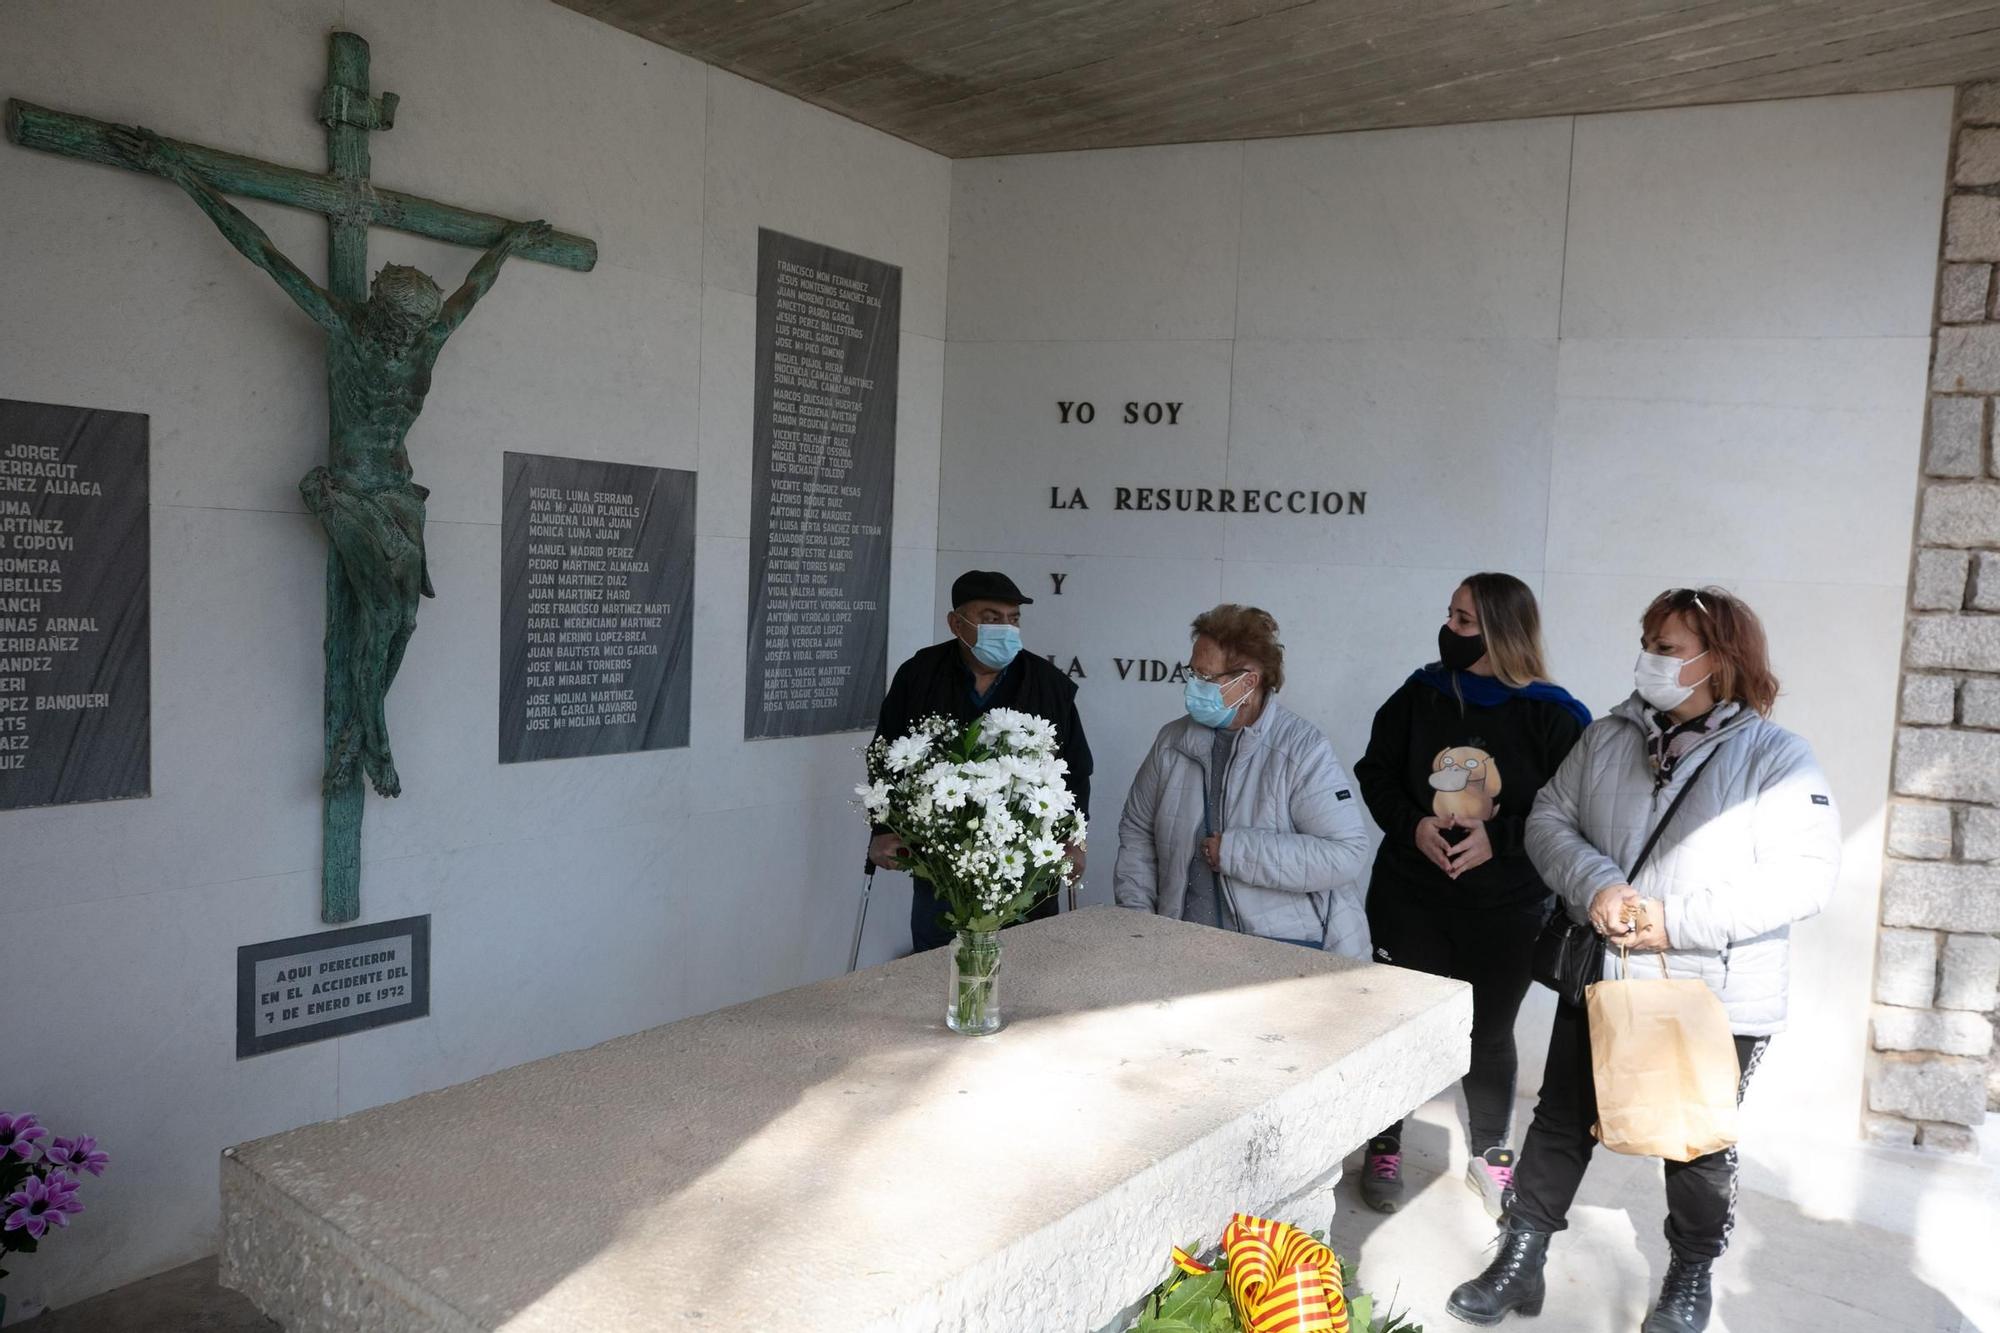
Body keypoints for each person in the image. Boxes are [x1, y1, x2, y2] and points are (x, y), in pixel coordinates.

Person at [1445, 587, 1841, 1333]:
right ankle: (1521, 1258)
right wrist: (1596, 885)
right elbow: (1550, 820)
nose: (1650, 659)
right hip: (1605, 972)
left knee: (1693, 1142)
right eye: (1649, 642)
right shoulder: (1610, 734)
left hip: (1713, 992)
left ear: (1718, 660)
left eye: (1668, 646)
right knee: (1561, 1116)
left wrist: (1672, 922)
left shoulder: (1777, 756)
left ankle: (1689, 1279)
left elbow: (1804, 877)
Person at [1352, 574, 1589, 1219]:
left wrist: (1502, 839)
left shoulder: (1555, 716)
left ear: (1502, 634)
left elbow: (1572, 813)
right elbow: (1374, 774)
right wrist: (1414, 825)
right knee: (1398, 1023)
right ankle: (1384, 1143)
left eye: (1464, 622)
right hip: (1410, 897)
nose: (1449, 631)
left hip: (1506, 908)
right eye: (1450, 616)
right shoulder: (1418, 695)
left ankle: (1490, 1155)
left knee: (1489, 1033)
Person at [1113, 604, 1370, 953]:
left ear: (1248, 682)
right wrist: (1138, 921)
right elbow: (1137, 830)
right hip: (1182, 950)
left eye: (1206, 677)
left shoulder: (1301, 749)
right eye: (1192, 673)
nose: (1193, 685)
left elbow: (1346, 854)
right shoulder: (1172, 742)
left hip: (1281, 954)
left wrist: (1235, 852)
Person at [870, 570, 1092, 952]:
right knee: (939, 966)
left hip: (1026, 863)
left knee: (1029, 964)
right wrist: (881, 829)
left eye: (1013, 618)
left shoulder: (1047, 683)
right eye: (991, 618)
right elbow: (886, 755)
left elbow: (1075, 768)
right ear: (957, 623)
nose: (1006, 628)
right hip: (941, 864)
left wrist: (1075, 842)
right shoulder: (919, 675)